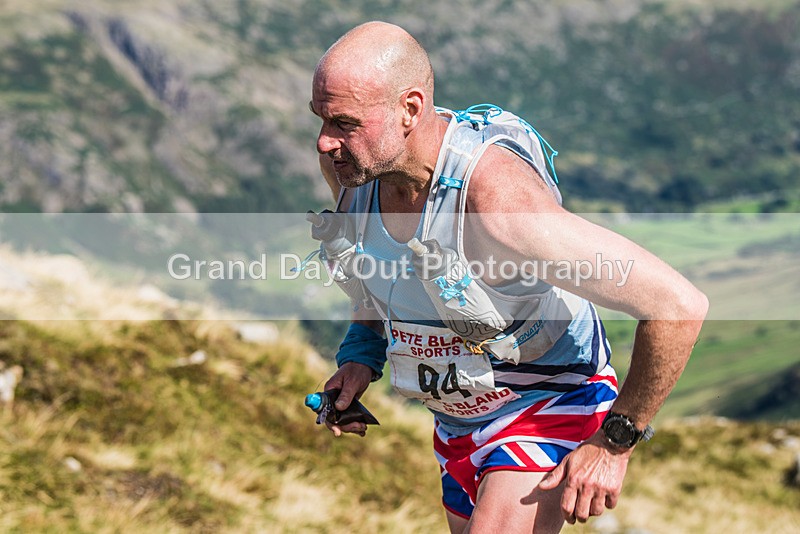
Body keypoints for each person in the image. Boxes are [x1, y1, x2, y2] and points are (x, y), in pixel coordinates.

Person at [308, 21, 708, 533]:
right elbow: (376, 276)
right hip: (457, 422)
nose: (324, 143)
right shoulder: (354, 173)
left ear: (409, 109)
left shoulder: (499, 206)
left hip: (548, 399)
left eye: (344, 122)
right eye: (319, 119)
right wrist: (361, 356)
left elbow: (677, 306)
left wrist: (614, 444)